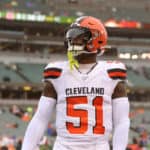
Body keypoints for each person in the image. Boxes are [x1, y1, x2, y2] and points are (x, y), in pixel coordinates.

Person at [21, 16, 130, 150]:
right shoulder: (58, 73)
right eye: (70, 37)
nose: (71, 41)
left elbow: (122, 122)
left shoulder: (111, 73)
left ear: (95, 38)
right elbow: (40, 118)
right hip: (64, 146)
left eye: (77, 36)